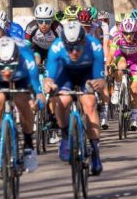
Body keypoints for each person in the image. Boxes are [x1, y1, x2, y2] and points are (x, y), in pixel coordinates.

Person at [0, 37, 45, 177]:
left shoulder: (27, 60)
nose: (6, 72)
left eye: (11, 67)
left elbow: (38, 91)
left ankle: (28, 146)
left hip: (21, 78)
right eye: (2, 67)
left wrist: (38, 102)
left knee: (23, 100)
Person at [43, 21, 106, 175]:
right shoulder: (57, 47)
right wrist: (49, 84)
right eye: (69, 47)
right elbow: (50, 77)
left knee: (89, 104)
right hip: (66, 74)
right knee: (62, 100)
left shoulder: (94, 46)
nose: (74, 52)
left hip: (87, 73)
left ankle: (95, 151)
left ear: (84, 42)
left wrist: (99, 86)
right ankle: (65, 136)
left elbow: (100, 79)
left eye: (77, 47)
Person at [109, 18, 137, 130]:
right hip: (121, 56)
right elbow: (111, 53)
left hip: (134, 61)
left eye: (131, 33)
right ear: (122, 32)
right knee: (121, 66)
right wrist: (109, 65)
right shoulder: (117, 36)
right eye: (126, 33)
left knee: (134, 90)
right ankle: (117, 88)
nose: (129, 36)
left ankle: (133, 118)